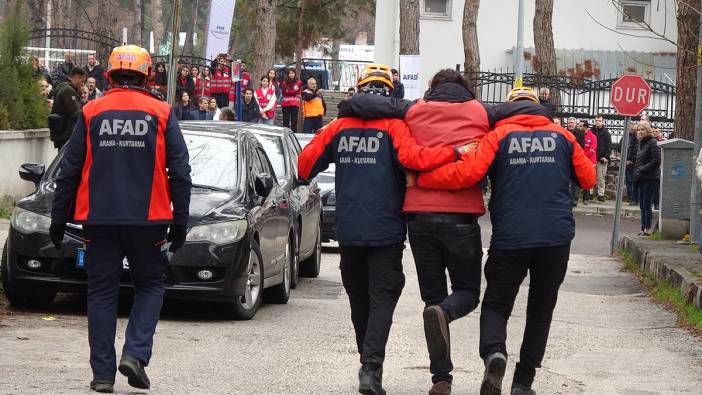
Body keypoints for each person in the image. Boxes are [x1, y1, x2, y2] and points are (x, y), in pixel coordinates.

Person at [297, 63, 468, 395]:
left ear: (360, 89)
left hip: (347, 231)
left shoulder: (337, 127)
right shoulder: (394, 125)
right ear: (390, 92)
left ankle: (368, 366)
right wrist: (454, 152)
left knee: (359, 301)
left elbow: (304, 166)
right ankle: (370, 370)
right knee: (382, 300)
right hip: (386, 232)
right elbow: (416, 160)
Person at [412, 87, 596, 395]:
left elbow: (466, 175)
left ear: (508, 109)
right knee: (541, 307)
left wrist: (422, 180)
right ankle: (523, 383)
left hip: (511, 238)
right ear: (539, 108)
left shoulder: (498, 136)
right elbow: (588, 178)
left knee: (497, 304)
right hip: (556, 238)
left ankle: (494, 354)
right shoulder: (562, 135)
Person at [49, 44, 191, 394]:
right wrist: (181, 220)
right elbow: (181, 171)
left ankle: (102, 375)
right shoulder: (161, 111)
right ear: (146, 75)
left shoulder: (92, 110)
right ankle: (135, 354)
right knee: (150, 285)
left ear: (109, 74)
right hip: (150, 219)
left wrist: (58, 216)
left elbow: (70, 168)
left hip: (98, 218)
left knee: (100, 292)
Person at [633, 121, 660, 236]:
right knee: (642, 204)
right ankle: (643, 227)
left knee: (647, 204)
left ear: (648, 130)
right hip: (641, 177)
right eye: (639, 130)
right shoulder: (641, 143)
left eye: (643, 129)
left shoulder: (652, 142)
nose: (640, 132)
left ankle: (648, 229)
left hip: (650, 178)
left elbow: (657, 160)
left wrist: (643, 169)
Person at [49, 66, 86, 150]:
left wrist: (82, 99)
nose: (83, 84)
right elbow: (76, 114)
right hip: (66, 135)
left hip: (65, 135)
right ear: (77, 78)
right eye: (82, 81)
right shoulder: (68, 91)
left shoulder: (69, 89)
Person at [592, 115, 612, 202]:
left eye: (599, 121)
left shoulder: (606, 133)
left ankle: (601, 194)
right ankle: (590, 194)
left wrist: (606, 157)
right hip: (591, 158)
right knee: (591, 176)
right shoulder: (591, 131)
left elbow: (609, 146)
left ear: (602, 122)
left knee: (601, 178)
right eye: (596, 120)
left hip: (602, 159)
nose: (598, 122)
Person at [566, 117, 585, 206]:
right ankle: (566, 199)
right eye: (569, 122)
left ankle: (574, 199)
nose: (570, 124)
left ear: (575, 123)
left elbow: (581, 146)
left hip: (575, 160)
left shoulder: (580, 133)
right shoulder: (564, 131)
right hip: (565, 160)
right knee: (565, 181)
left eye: (572, 122)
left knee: (574, 182)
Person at [579, 121, 597, 205]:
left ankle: (585, 199)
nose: (579, 128)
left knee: (586, 180)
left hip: (589, 161)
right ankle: (575, 197)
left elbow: (592, 149)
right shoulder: (579, 135)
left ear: (585, 127)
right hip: (580, 160)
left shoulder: (593, 137)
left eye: (580, 126)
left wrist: (583, 156)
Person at [625, 122, 639, 206]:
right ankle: (632, 198)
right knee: (629, 181)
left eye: (635, 130)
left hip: (637, 163)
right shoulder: (628, 138)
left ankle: (635, 199)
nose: (633, 131)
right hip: (630, 162)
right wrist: (628, 159)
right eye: (632, 129)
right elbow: (623, 148)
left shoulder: (639, 139)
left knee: (636, 182)